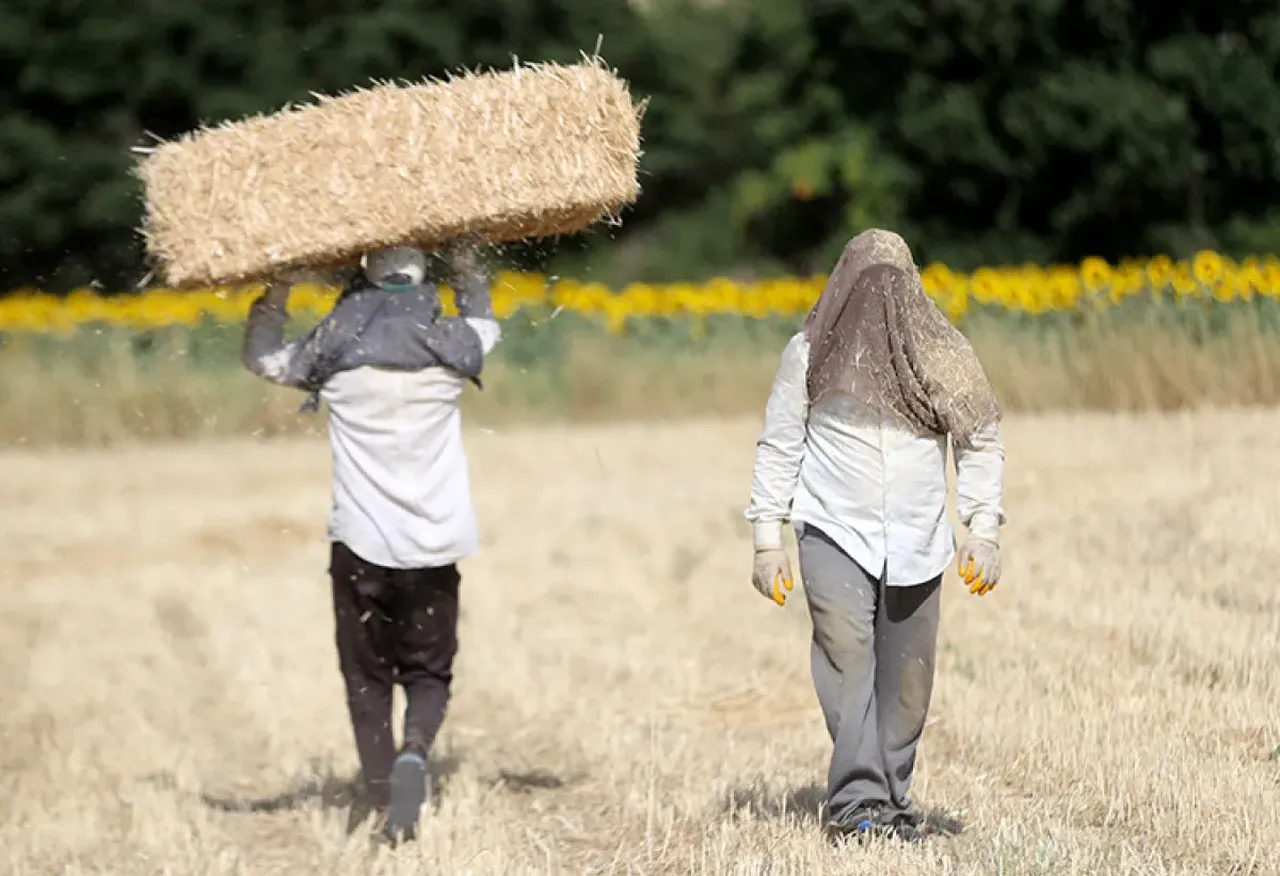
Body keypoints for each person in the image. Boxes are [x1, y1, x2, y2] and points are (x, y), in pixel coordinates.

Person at [744, 228, 1006, 844]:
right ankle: (857, 804)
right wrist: (766, 540)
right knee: (847, 662)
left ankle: (890, 799)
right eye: (867, 283)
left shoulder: (942, 355)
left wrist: (984, 531)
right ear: (843, 285)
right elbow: (779, 445)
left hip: (919, 541)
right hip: (833, 531)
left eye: (892, 283)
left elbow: (980, 440)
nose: (880, 297)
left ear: (910, 287)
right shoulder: (808, 353)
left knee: (909, 683)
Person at [241, 240, 499, 844]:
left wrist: (278, 287)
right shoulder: (449, 355)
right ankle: (415, 752)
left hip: (360, 546)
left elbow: (263, 357)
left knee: (366, 678)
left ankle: (385, 800)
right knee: (430, 672)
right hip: (437, 544)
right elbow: (484, 321)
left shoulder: (338, 358)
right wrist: (464, 262)